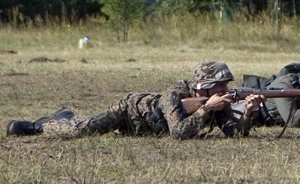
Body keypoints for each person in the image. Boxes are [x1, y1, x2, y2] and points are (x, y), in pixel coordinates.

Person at [6, 61, 264, 139]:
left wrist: (249, 111)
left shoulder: (215, 101)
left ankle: (65, 116)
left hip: (143, 131)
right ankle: (35, 126)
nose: (225, 88)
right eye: (220, 85)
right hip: (129, 110)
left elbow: (236, 135)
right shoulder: (175, 94)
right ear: (205, 87)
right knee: (81, 130)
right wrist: (205, 110)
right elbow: (177, 134)